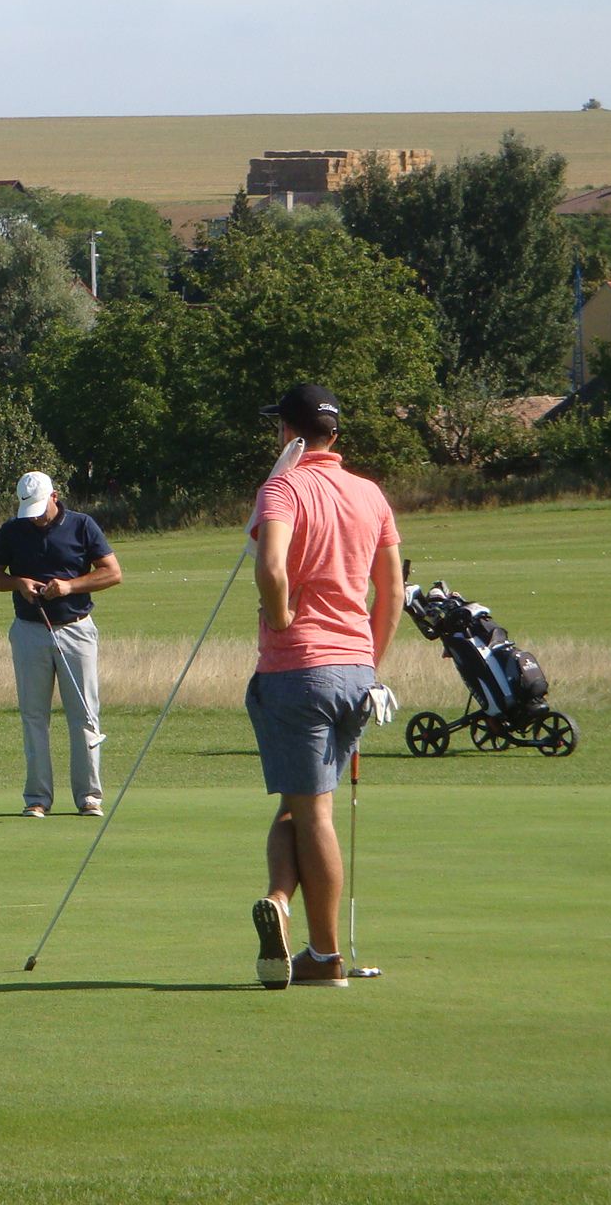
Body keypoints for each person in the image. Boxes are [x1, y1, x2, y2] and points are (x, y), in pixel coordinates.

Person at [246, 384, 402, 990]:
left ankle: (326, 956)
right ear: (334, 433)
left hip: (298, 670)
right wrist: (370, 660)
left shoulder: (281, 487)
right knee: (300, 805)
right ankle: (280, 905)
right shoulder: (370, 493)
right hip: (356, 673)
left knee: (311, 814)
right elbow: (390, 591)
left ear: (288, 432)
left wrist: (282, 618)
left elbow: (270, 567)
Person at [0, 471, 122, 818]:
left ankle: (89, 797)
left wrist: (69, 587)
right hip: (30, 631)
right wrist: (18, 583)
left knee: (85, 715)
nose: (37, 515)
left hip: (76, 629)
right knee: (34, 717)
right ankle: (37, 798)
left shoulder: (82, 525)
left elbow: (112, 572)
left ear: (55, 496)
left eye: (41, 507)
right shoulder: (13, 529)